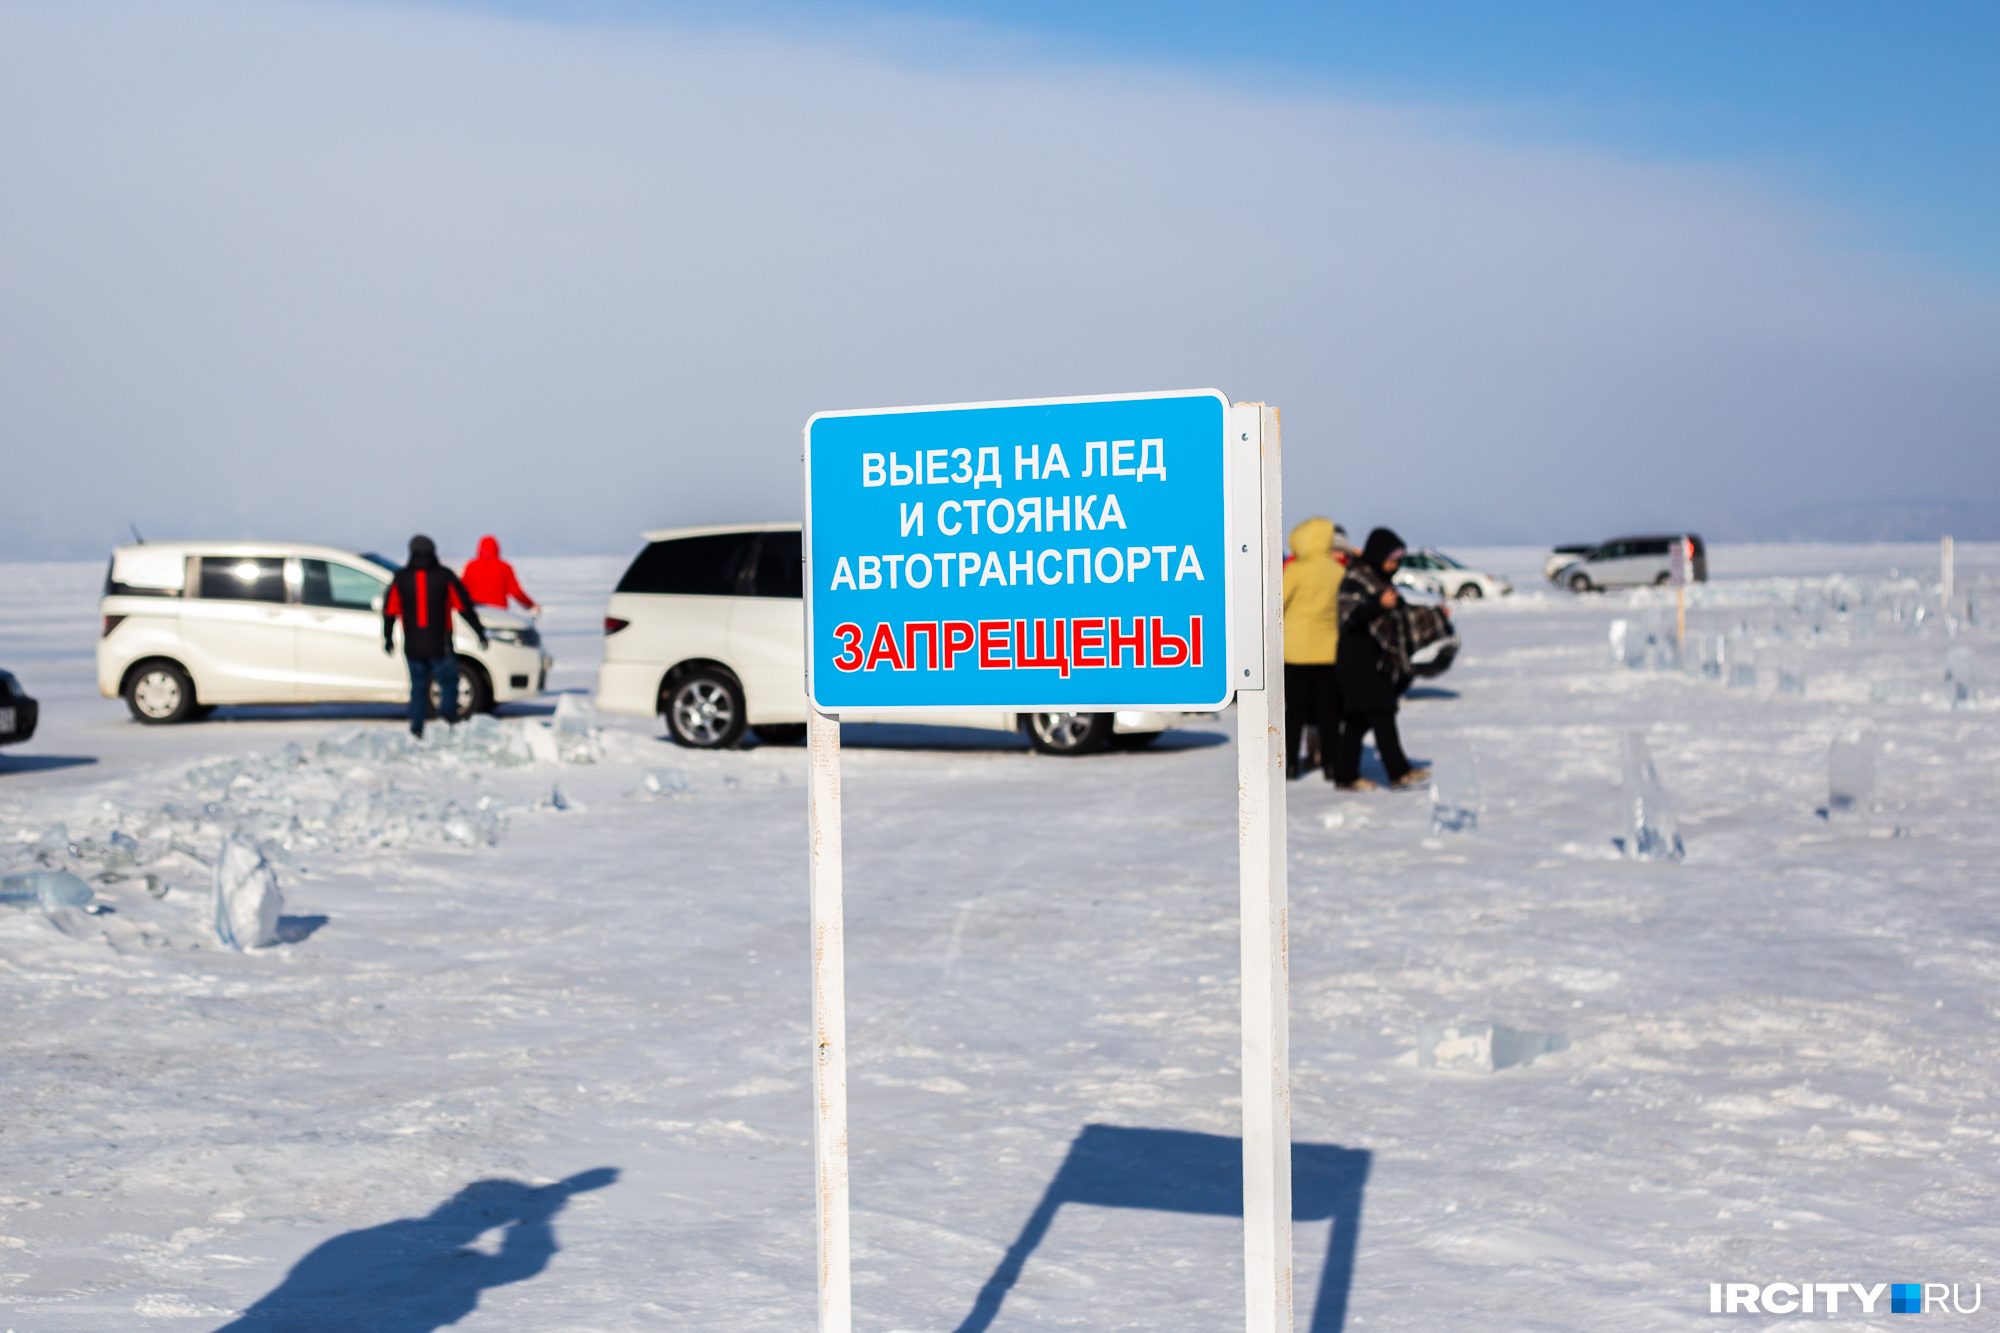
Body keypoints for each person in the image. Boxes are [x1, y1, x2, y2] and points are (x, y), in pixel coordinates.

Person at [1333, 527, 1450, 791]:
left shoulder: (1379, 578)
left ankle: (1345, 775)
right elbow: (1349, 616)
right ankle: (1398, 772)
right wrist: (1377, 604)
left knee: (1357, 721)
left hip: (1375, 662)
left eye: (1397, 560)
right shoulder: (1357, 578)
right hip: (1358, 664)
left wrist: (1435, 615)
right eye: (1390, 559)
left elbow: (1400, 612)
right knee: (1382, 714)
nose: (1394, 565)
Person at [382, 534, 487, 737]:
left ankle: (417, 728)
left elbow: (389, 611)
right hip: (441, 643)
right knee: (448, 683)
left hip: (413, 643)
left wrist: (387, 638)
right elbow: (464, 607)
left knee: (418, 688)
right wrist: (479, 631)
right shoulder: (444, 576)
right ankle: (446, 723)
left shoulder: (401, 578)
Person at [1282, 517, 1345, 781]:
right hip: (1329, 651)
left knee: (1294, 713)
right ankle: (1331, 765)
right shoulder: (1337, 571)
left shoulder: (1296, 570)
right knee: (1328, 714)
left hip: (1295, 651)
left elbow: (1279, 602)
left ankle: (1291, 764)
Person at [460, 534, 538, 613]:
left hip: (477, 611)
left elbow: (461, 590)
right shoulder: (505, 567)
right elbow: (516, 592)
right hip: (499, 613)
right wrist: (530, 604)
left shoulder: (471, 566)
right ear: (497, 548)